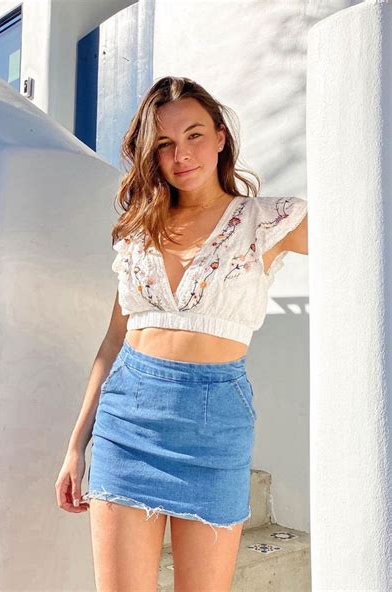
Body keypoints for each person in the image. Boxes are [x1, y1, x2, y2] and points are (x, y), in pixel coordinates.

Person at [55, 76, 308, 591]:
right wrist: (77, 443)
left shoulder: (266, 221)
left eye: (194, 135)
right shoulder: (138, 230)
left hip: (214, 424)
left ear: (220, 136)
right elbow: (112, 341)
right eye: (165, 144)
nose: (181, 155)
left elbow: (369, 230)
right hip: (126, 421)